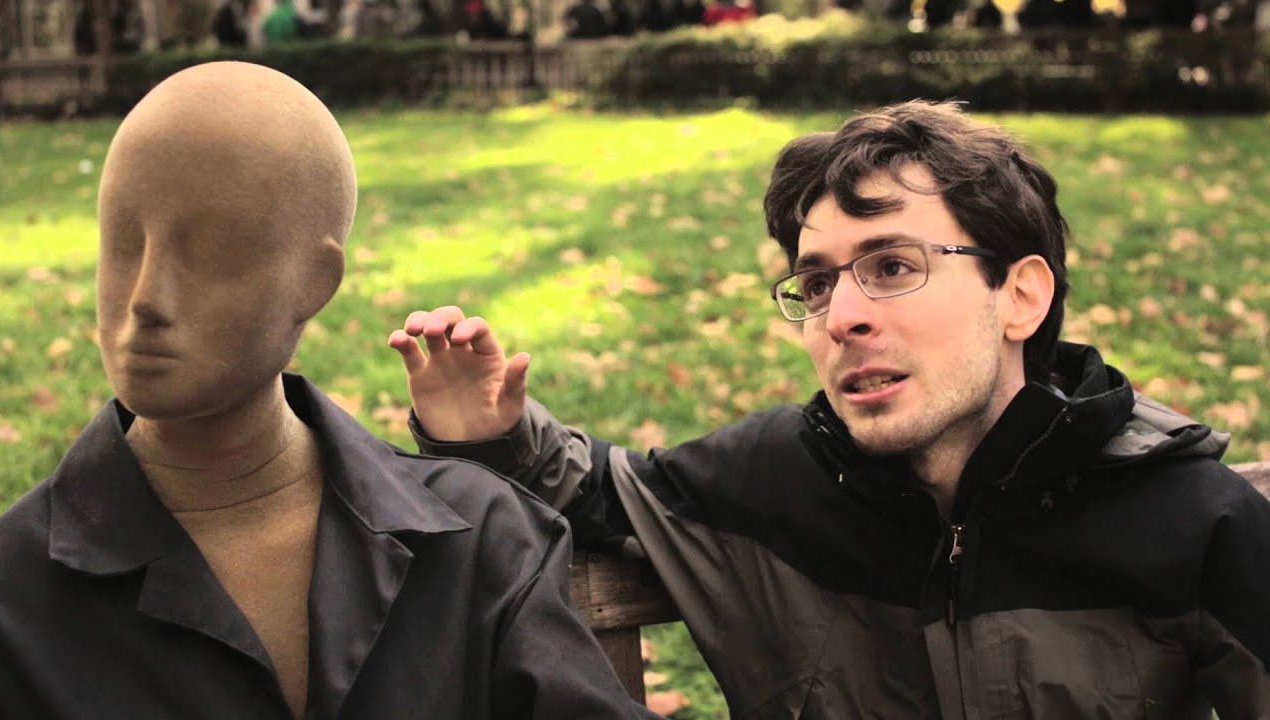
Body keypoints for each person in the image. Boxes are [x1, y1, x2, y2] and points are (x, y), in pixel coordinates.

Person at [389, 101, 1270, 719]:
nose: (841, 315)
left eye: (892, 267)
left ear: (1020, 297)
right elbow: (591, 493)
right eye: (816, 283)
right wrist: (491, 431)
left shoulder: (1189, 521)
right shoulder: (769, 484)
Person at [0, 61, 659, 720]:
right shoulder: (9, 596)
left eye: (208, 252)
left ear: (314, 281)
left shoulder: (478, 541)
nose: (145, 299)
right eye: (123, 241)